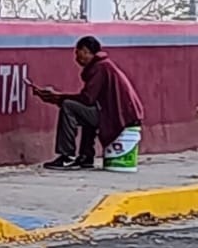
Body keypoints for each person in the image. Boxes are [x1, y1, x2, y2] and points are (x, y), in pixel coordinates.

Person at [32, 36, 145, 171]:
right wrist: (57, 98)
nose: (76, 58)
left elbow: (87, 99)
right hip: (119, 114)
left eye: (78, 53)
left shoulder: (100, 67)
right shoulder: (104, 65)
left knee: (69, 106)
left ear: (85, 51)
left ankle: (66, 155)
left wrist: (59, 98)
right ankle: (86, 155)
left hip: (119, 117)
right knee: (86, 110)